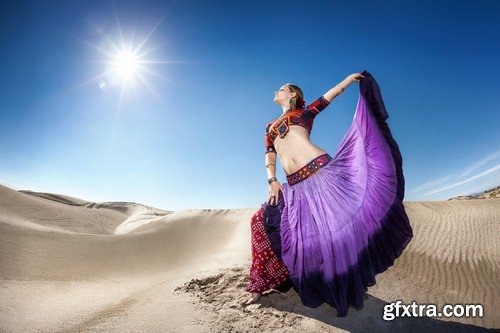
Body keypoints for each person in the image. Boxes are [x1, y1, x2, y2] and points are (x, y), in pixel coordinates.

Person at [243, 70, 414, 317]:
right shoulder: (269, 127)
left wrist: (348, 80)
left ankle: (342, 282)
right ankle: (259, 286)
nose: (276, 91)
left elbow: (328, 97)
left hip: (322, 173)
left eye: (282, 88)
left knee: (336, 232)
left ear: (293, 95)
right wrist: (272, 180)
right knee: (259, 222)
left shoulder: (303, 113)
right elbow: (269, 156)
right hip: (294, 185)